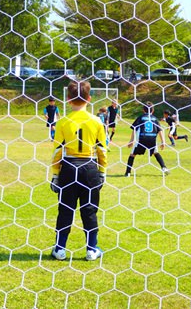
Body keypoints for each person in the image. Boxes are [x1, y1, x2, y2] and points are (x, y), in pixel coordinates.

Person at [50, 81, 108, 261]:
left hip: (68, 167)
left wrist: (55, 174)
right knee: (89, 210)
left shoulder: (62, 122)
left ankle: (60, 249)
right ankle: (92, 249)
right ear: (89, 99)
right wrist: (102, 171)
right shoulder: (97, 121)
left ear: (68, 99)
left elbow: (58, 150)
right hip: (89, 168)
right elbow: (102, 149)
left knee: (65, 209)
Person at [124, 102, 169, 177]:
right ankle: (164, 168)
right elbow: (160, 130)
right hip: (152, 139)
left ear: (143, 110)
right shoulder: (155, 118)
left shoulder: (141, 117)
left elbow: (134, 129)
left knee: (132, 155)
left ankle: (128, 173)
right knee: (156, 153)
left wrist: (131, 141)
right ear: (153, 110)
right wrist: (163, 142)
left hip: (142, 139)